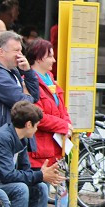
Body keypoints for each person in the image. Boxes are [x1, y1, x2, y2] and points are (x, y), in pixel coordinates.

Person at [26, 39, 72, 179]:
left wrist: (67, 123)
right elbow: (37, 115)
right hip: (39, 150)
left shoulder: (50, 79)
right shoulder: (29, 81)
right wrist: (64, 125)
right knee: (41, 191)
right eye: (50, 56)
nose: (54, 60)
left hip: (54, 147)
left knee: (56, 193)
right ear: (39, 58)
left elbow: (62, 108)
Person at [0, 31, 40, 139]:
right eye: (16, 50)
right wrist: (25, 92)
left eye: (21, 50)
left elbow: (35, 97)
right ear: (1, 51)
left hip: (15, 136)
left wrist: (28, 72)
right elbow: (22, 103)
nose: (20, 55)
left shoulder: (13, 70)